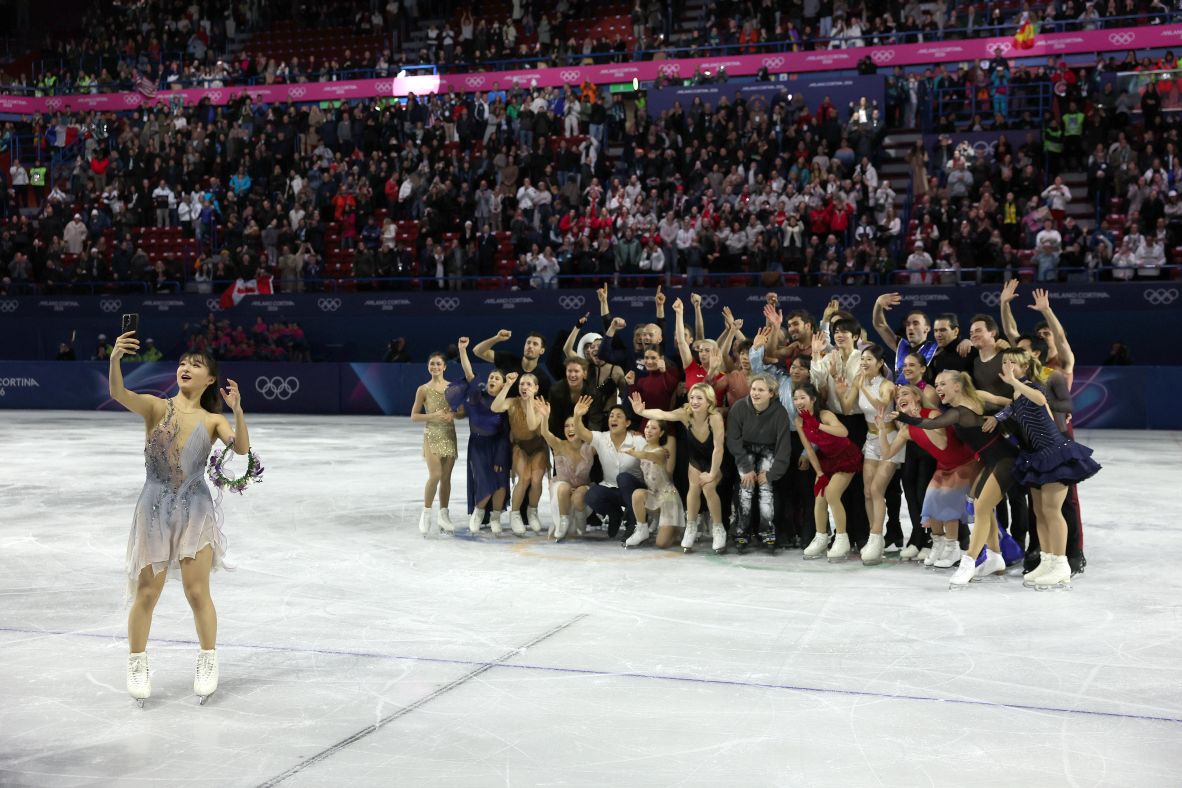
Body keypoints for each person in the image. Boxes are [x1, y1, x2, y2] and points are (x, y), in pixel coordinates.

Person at [109, 330, 250, 706]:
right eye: (184, 363)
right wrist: (115, 359)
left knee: (197, 590)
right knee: (147, 592)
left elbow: (241, 449)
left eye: (197, 364)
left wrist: (236, 410)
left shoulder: (211, 419)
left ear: (210, 380)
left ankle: (208, 658)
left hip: (195, 509)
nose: (187, 367)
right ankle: (137, 662)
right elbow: (119, 394)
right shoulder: (157, 408)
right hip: (153, 507)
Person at [990, 349, 1100, 589]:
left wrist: (1013, 381)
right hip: (1035, 457)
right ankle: (1048, 561)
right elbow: (1011, 409)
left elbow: (1041, 400)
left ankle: (1061, 566)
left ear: (1024, 367)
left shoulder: (1032, 385)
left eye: (1013, 363)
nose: (1008, 366)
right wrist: (995, 417)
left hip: (1053, 455)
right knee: (1039, 512)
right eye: (1005, 362)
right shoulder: (1017, 392)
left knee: (1052, 511)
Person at [892, 371, 1019, 573]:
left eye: (943, 384)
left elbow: (1013, 403)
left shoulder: (974, 400)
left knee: (983, 507)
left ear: (957, 386)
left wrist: (997, 418)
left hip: (1005, 458)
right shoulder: (954, 411)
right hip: (988, 461)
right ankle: (996, 556)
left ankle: (973, 560)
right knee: (978, 506)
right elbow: (933, 426)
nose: (938, 388)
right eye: (936, 385)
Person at [878, 386, 985, 586]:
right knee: (930, 503)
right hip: (944, 466)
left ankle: (952, 547)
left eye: (905, 394)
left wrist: (919, 418)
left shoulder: (933, 414)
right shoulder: (906, 429)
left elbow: (942, 444)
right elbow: (887, 453)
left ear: (917, 397)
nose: (900, 398)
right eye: (898, 396)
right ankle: (938, 544)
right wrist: (883, 430)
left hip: (965, 462)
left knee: (947, 500)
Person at [630, 382, 726, 553]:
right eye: (692, 397)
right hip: (696, 459)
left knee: (709, 488)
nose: (694, 401)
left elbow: (718, 448)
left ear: (709, 401)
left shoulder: (715, 418)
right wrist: (641, 412)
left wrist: (712, 474)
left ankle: (719, 529)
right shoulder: (685, 414)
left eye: (699, 398)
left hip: (714, 459)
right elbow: (663, 414)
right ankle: (690, 527)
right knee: (694, 487)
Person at [836, 345, 900, 565]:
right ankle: (876, 538)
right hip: (871, 440)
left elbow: (881, 406)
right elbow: (846, 408)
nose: (863, 363)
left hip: (890, 440)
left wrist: (863, 388)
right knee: (866, 492)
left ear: (880, 363)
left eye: (869, 359)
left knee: (876, 490)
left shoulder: (887, 385)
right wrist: (839, 390)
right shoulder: (859, 381)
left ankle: (875, 536)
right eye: (862, 359)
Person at [448, 337, 510, 535]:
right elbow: (469, 373)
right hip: (478, 445)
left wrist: (501, 455)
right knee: (484, 481)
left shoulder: (505, 405)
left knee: (500, 482)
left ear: (502, 385)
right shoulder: (476, 396)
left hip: (498, 445)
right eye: (491, 377)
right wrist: (463, 350)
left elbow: (505, 433)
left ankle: (496, 518)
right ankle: (478, 513)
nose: (492, 380)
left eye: (497, 379)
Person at [726, 373, 794, 553]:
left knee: (766, 488)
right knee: (746, 488)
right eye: (753, 389)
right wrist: (745, 467)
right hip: (745, 450)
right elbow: (733, 440)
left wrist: (772, 473)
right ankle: (742, 530)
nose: (755, 393)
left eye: (761, 390)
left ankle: (767, 531)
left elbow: (783, 447)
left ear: (771, 393)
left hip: (768, 449)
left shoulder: (780, 413)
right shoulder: (739, 407)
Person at [795, 383, 863, 561]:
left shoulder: (825, 415)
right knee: (819, 496)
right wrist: (819, 473)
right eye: (796, 398)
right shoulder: (799, 421)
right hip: (827, 461)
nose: (798, 401)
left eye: (802, 397)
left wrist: (818, 425)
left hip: (847, 457)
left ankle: (842, 539)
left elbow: (843, 432)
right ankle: (821, 537)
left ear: (813, 399)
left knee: (832, 494)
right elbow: (809, 450)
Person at [575, 400, 647, 539]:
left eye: (619, 416)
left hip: (634, 492)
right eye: (611, 416)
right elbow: (582, 432)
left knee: (624, 478)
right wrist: (577, 416)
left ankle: (633, 523)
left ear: (627, 423)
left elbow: (651, 457)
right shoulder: (601, 438)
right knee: (591, 496)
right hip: (611, 489)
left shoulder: (637, 441)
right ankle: (615, 514)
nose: (613, 418)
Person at [490, 372, 549, 535]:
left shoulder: (541, 405)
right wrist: (507, 385)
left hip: (538, 446)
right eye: (522, 384)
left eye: (529, 384)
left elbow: (532, 425)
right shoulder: (512, 402)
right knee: (524, 478)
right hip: (519, 446)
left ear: (536, 388)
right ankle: (515, 514)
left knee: (536, 480)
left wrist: (530, 401)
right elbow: (494, 407)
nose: (524, 387)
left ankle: (532, 511)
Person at [410, 352, 460, 535]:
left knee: (446, 478)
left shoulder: (453, 388)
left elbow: (462, 412)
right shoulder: (423, 389)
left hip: (449, 434)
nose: (435, 367)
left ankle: (444, 514)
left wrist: (453, 415)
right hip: (432, 434)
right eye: (432, 364)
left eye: (438, 364)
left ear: (445, 367)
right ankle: (426, 512)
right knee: (436, 475)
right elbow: (414, 416)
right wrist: (433, 415)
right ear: (428, 366)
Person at [536, 397, 595, 541]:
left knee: (579, 494)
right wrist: (544, 418)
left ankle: (581, 518)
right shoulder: (559, 445)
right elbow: (545, 433)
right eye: (566, 426)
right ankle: (563, 521)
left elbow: (609, 443)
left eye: (573, 425)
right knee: (563, 488)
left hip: (582, 492)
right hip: (561, 491)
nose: (570, 429)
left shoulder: (590, 447)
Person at [621, 419, 684, 548]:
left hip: (668, 498)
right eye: (647, 427)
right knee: (637, 494)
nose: (648, 430)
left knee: (661, 544)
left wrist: (634, 453)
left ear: (661, 433)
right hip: (653, 496)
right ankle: (641, 530)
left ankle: (675, 530)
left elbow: (648, 456)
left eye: (654, 428)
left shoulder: (661, 452)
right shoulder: (644, 446)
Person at [472, 328, 552, 397]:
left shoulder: (543, 379)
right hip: (498, 412)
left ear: (542, 350)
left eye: (535, 344)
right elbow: (477, 351)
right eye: (528, 343)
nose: (530, 346)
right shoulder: (507, 359)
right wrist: (496, 338)